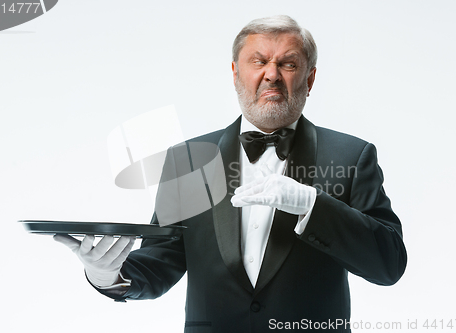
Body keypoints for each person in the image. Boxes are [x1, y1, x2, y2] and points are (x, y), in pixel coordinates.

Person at [55, 15, 407, 332]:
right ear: (236, 72)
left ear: (310, 77)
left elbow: (388, 264)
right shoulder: (188, 161)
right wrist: (108, 276)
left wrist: (313, 205)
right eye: (259, 61)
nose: (272, 74)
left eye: (288, 63)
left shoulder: (352, 155)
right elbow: (161, 264)